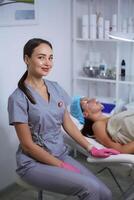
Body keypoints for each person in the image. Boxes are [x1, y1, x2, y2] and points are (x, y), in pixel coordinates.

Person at [8, 38, 119, 200]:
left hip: (60, 154)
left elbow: (67, 123)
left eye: (50, 57)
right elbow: (28, 145)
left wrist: (91, 148)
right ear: (27, 59)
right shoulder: (18, 98)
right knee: (90, 189)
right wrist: (61, 166)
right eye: (41, 57)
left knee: (106, 193)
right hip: (33, 163)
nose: (47, 62)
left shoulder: (55, 87)